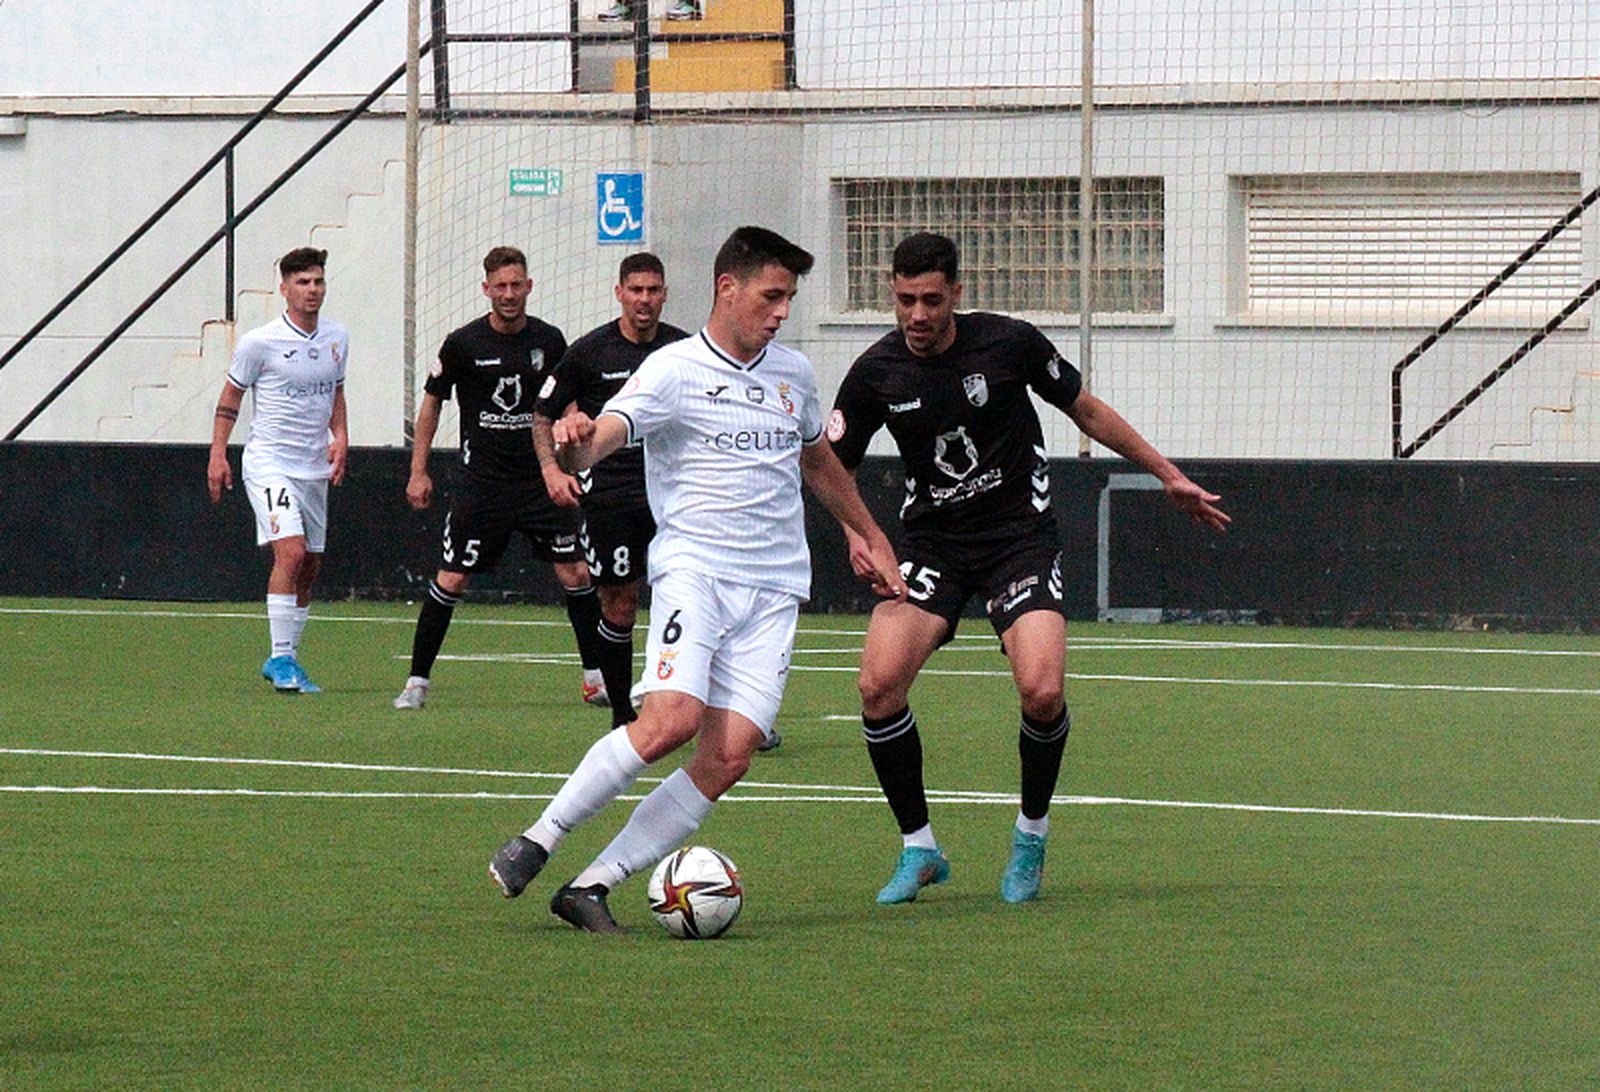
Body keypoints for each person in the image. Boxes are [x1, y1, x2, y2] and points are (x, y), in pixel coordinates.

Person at [488, 226, 906, 933]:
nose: (781, 311)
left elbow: (818, 461)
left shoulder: (794, 374)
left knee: (730, 754)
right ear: (727, 288)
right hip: (697, 572)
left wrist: (868, 533)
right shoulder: (674, 369)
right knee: (671, 721)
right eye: (771, 296)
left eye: (789, 298)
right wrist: (575, 445)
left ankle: (591, 885)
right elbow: (606, 436)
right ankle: (538, 838)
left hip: (774, 590)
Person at [826, 232, 1231, 906]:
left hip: (1019, 539)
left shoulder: (1008, 343)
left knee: (1042, 692)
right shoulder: (876, 373)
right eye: (905, 300)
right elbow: (831, 466)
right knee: (877, 685)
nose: (918, 315)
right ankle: (919, 848)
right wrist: (859, 535)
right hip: (931, 545)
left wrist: (1167, 475)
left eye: (931, 300)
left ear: (957, 294)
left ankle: (1031, 836)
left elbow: (1086, 409)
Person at [392, 246, 607, 711]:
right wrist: (418, 470)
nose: (509, 294)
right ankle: (416, 683)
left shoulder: (549, 340)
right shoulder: (462, 344)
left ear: (529, 286)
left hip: (541, 481)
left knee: (575, 571)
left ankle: (596, 680)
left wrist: (574, 453)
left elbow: (566, 403)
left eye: (516, 285)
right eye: (501, 286)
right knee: (452, 578)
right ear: (486, 289)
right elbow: (432, 403)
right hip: (482, 485)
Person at [532, 252, 688, 731]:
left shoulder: (684, 350)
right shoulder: (589, 352)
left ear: (665, 295)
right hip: (612, 498)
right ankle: (623, 717)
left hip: (676, 497)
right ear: (619, 293)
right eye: (635, 290)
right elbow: (542, 414)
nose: (644, 300)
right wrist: (551, 470)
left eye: (653, 290)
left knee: (696, 601)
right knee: (619, 603)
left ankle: (729, 715)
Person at [207, 246, 350, 694]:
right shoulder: (259, 342)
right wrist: (217, 454)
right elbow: (230, 399)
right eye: (303, 282)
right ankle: (281, 658)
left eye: (318, 281)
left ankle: (288, 656)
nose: (313, 290)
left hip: (313, 467)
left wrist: (341, 437)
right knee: (290, 552)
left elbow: (336, 392)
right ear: (284, 289)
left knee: (310, 564)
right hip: (269, 463)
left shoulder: (336, 337)